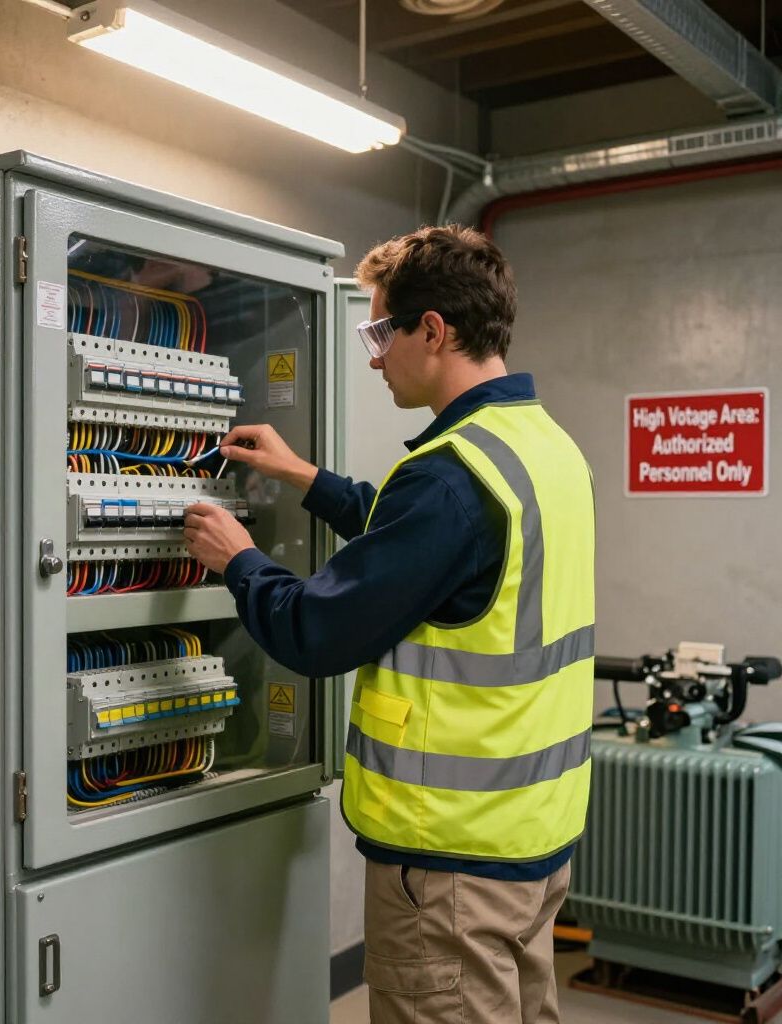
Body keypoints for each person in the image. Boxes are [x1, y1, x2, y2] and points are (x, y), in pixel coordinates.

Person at [183, 225, 595, 1024]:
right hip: (531, 844)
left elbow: (316, 632)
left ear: (431, 331)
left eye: (380, 333)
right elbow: (436, 552)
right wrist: (307, 478)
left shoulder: (450, 476)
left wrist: (239, 559)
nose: (374, 358)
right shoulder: (544, 449)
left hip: (450, 866)